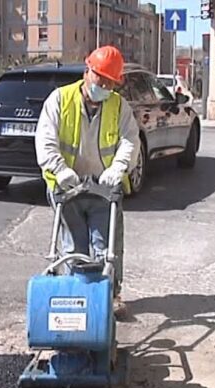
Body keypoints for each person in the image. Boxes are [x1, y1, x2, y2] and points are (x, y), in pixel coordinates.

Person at [34, 45, 140, 319]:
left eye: (109, 82)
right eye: (100, 79)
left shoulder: (119, 107)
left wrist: (118, 168)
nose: (103, 86)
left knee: (106, 248)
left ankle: (110, 296)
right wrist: (60, 171)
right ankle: (75, 300)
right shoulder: (59, 100)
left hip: (103, 189)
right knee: (74, 249)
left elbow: (130, 140)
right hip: (67, 188)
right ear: (87, 72)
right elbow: (45, 143)